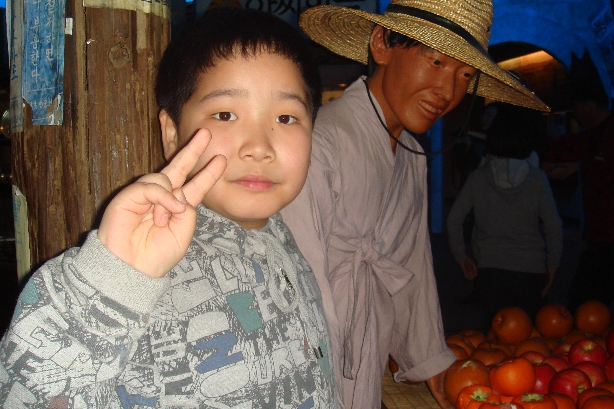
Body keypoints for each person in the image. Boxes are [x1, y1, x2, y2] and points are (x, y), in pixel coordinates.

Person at [0, 8, 337, 408]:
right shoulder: (143, 265)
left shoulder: (279, 236)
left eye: (286, 117)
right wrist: (110, 280)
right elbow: (27, 394)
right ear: (172, 133)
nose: (259, 147)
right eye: (225, 114)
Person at [279, 0, 549, 408]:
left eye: (465, 75)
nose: (447, 91)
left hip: (367, 353)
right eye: (436, 62)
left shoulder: (410, 155)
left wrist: (431, 361)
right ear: (383, 44)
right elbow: (297, 287)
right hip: (312, 364)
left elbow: (413, 267)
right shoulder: (320, 145)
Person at [447, 104, 563, 325]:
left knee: (497, 333)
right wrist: (552, 265)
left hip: (490, 270)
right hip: (531, 269)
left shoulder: (477, 178)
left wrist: (462, 258)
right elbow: (553, 226)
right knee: (529, 335)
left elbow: (454, 220)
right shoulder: (537, 179)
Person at [543, 51, 614, 314]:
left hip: (606, 240)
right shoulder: (594, 136)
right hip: (599, 237)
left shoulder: (600, 137)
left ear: (588, 106)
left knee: (583, 307)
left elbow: (560, 151)